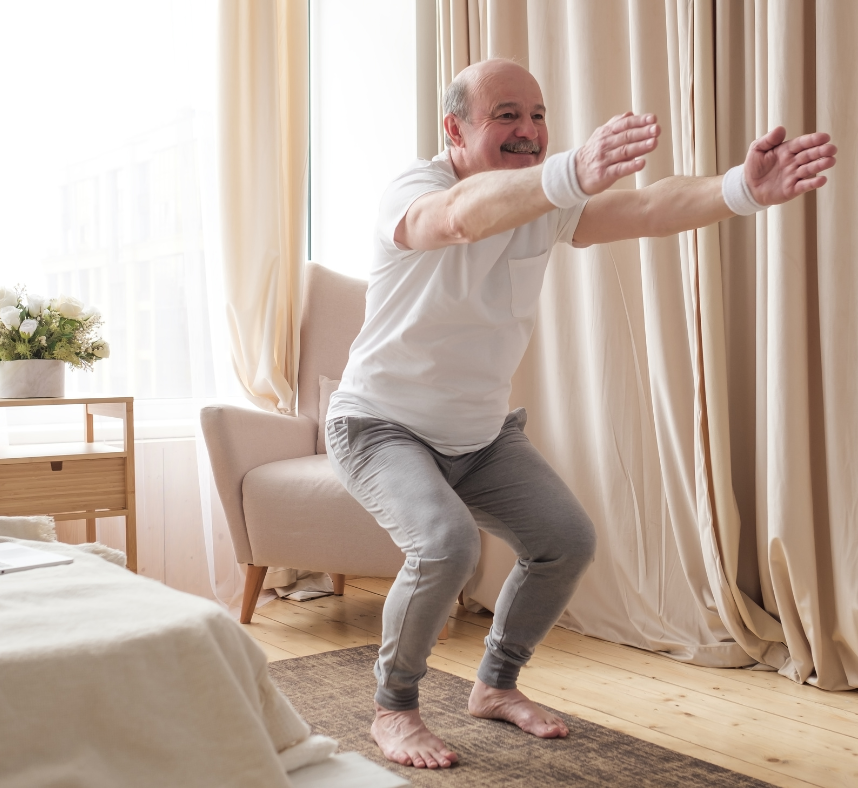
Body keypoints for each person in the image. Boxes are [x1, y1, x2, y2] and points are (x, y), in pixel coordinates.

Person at [324, 58, 836, 770]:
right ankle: (394, 708)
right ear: (455, 128)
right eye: (507, 115)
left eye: (537, 117)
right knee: (445, 544)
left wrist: (741, 188)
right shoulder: (416, 188)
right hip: (380, 424)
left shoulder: (542, 201)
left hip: (478, 436)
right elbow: (458, 220)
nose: (529, 132)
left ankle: (495, 687)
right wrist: (567, 171)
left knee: (565, 541)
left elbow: (648, 208)